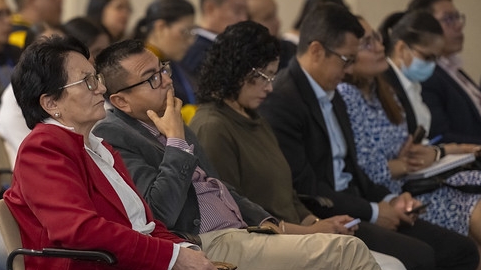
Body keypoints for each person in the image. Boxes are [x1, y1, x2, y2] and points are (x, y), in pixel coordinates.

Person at [92, 38, 381, 269]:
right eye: (151, 78)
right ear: (121, 101)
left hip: (244, 232)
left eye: (163, 69)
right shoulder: (115, 135)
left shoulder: (169, 117)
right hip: (206, 242)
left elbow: (219, 187)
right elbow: (158, 213)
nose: (167, 80)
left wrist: (270, 223)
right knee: (348, 251)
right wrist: (176, 141)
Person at [258, 3, 479, 270]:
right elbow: (307, 187)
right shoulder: (283, 101)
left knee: (462, 250)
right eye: (346, 60)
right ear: (316, 51)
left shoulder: (333, 93)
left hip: (358, 203)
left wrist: (389, 201)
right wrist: (375, 211)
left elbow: (354, 170)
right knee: (421, 256)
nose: (350, 70)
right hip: (329, 215)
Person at [187, 20, 404, 269]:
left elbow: (288, 194)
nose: (270, 87)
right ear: (236, 69)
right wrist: (309, 231)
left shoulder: (254, 117)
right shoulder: (212, 127)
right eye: (264, 76)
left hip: (291, 233)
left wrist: (316, 223)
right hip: (259, 242)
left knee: (391, 261)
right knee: (375, 260)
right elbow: (234, 213)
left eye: (273, 76)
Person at [4, 35, 216, 270]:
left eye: (97, 78)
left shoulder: (99, 147)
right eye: (87, 82)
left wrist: (184, 251)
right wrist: (173, 257)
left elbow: (145, 224)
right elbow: (80, 231)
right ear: (51, 103)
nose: (102, 88)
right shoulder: (42, 149)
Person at [340, 12, 481, 259]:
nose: (380, 47)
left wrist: (408, 158)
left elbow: (404, 148)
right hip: (398, 195)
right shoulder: (347, 96)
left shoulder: (381, 90)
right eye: (367, 44)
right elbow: (368, 172)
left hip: (410, 185)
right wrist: (403, 163)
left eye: (377, 38)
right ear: (347, 56)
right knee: (471, 210)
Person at [0, 17, 110, 168]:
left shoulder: (101, 145)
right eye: (47, 50)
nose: (60, 54)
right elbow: (34, 161)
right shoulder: (41, 148)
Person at [378, 11, 481, 162]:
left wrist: (449, 150)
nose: (432, 65)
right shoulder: (386, 85)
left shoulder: (414, 85)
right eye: (427, 57)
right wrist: (443, 152)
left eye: (436, 59)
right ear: (401, 49)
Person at [407, 0, 481, 144]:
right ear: (425, 28)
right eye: (448, 19)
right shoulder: (426, 75)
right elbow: (440, 136)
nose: (459, 25)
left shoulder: (453, 68)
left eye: (457, 17)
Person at [133, 0, 197, 105]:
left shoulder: (174, 63)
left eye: (192, 32)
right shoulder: (139, 69)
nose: (190, 41)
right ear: (161, 27)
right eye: (185, 32)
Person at [179, 0, 247, 80]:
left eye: (246, 13)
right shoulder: (196, 51)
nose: (244, 19)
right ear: (210, 8)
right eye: (237, 11)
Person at [246, 0, 297, 71]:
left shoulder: (290, 51)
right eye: (268, 18)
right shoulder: (240, 62)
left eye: (275, 14)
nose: (278, 23)